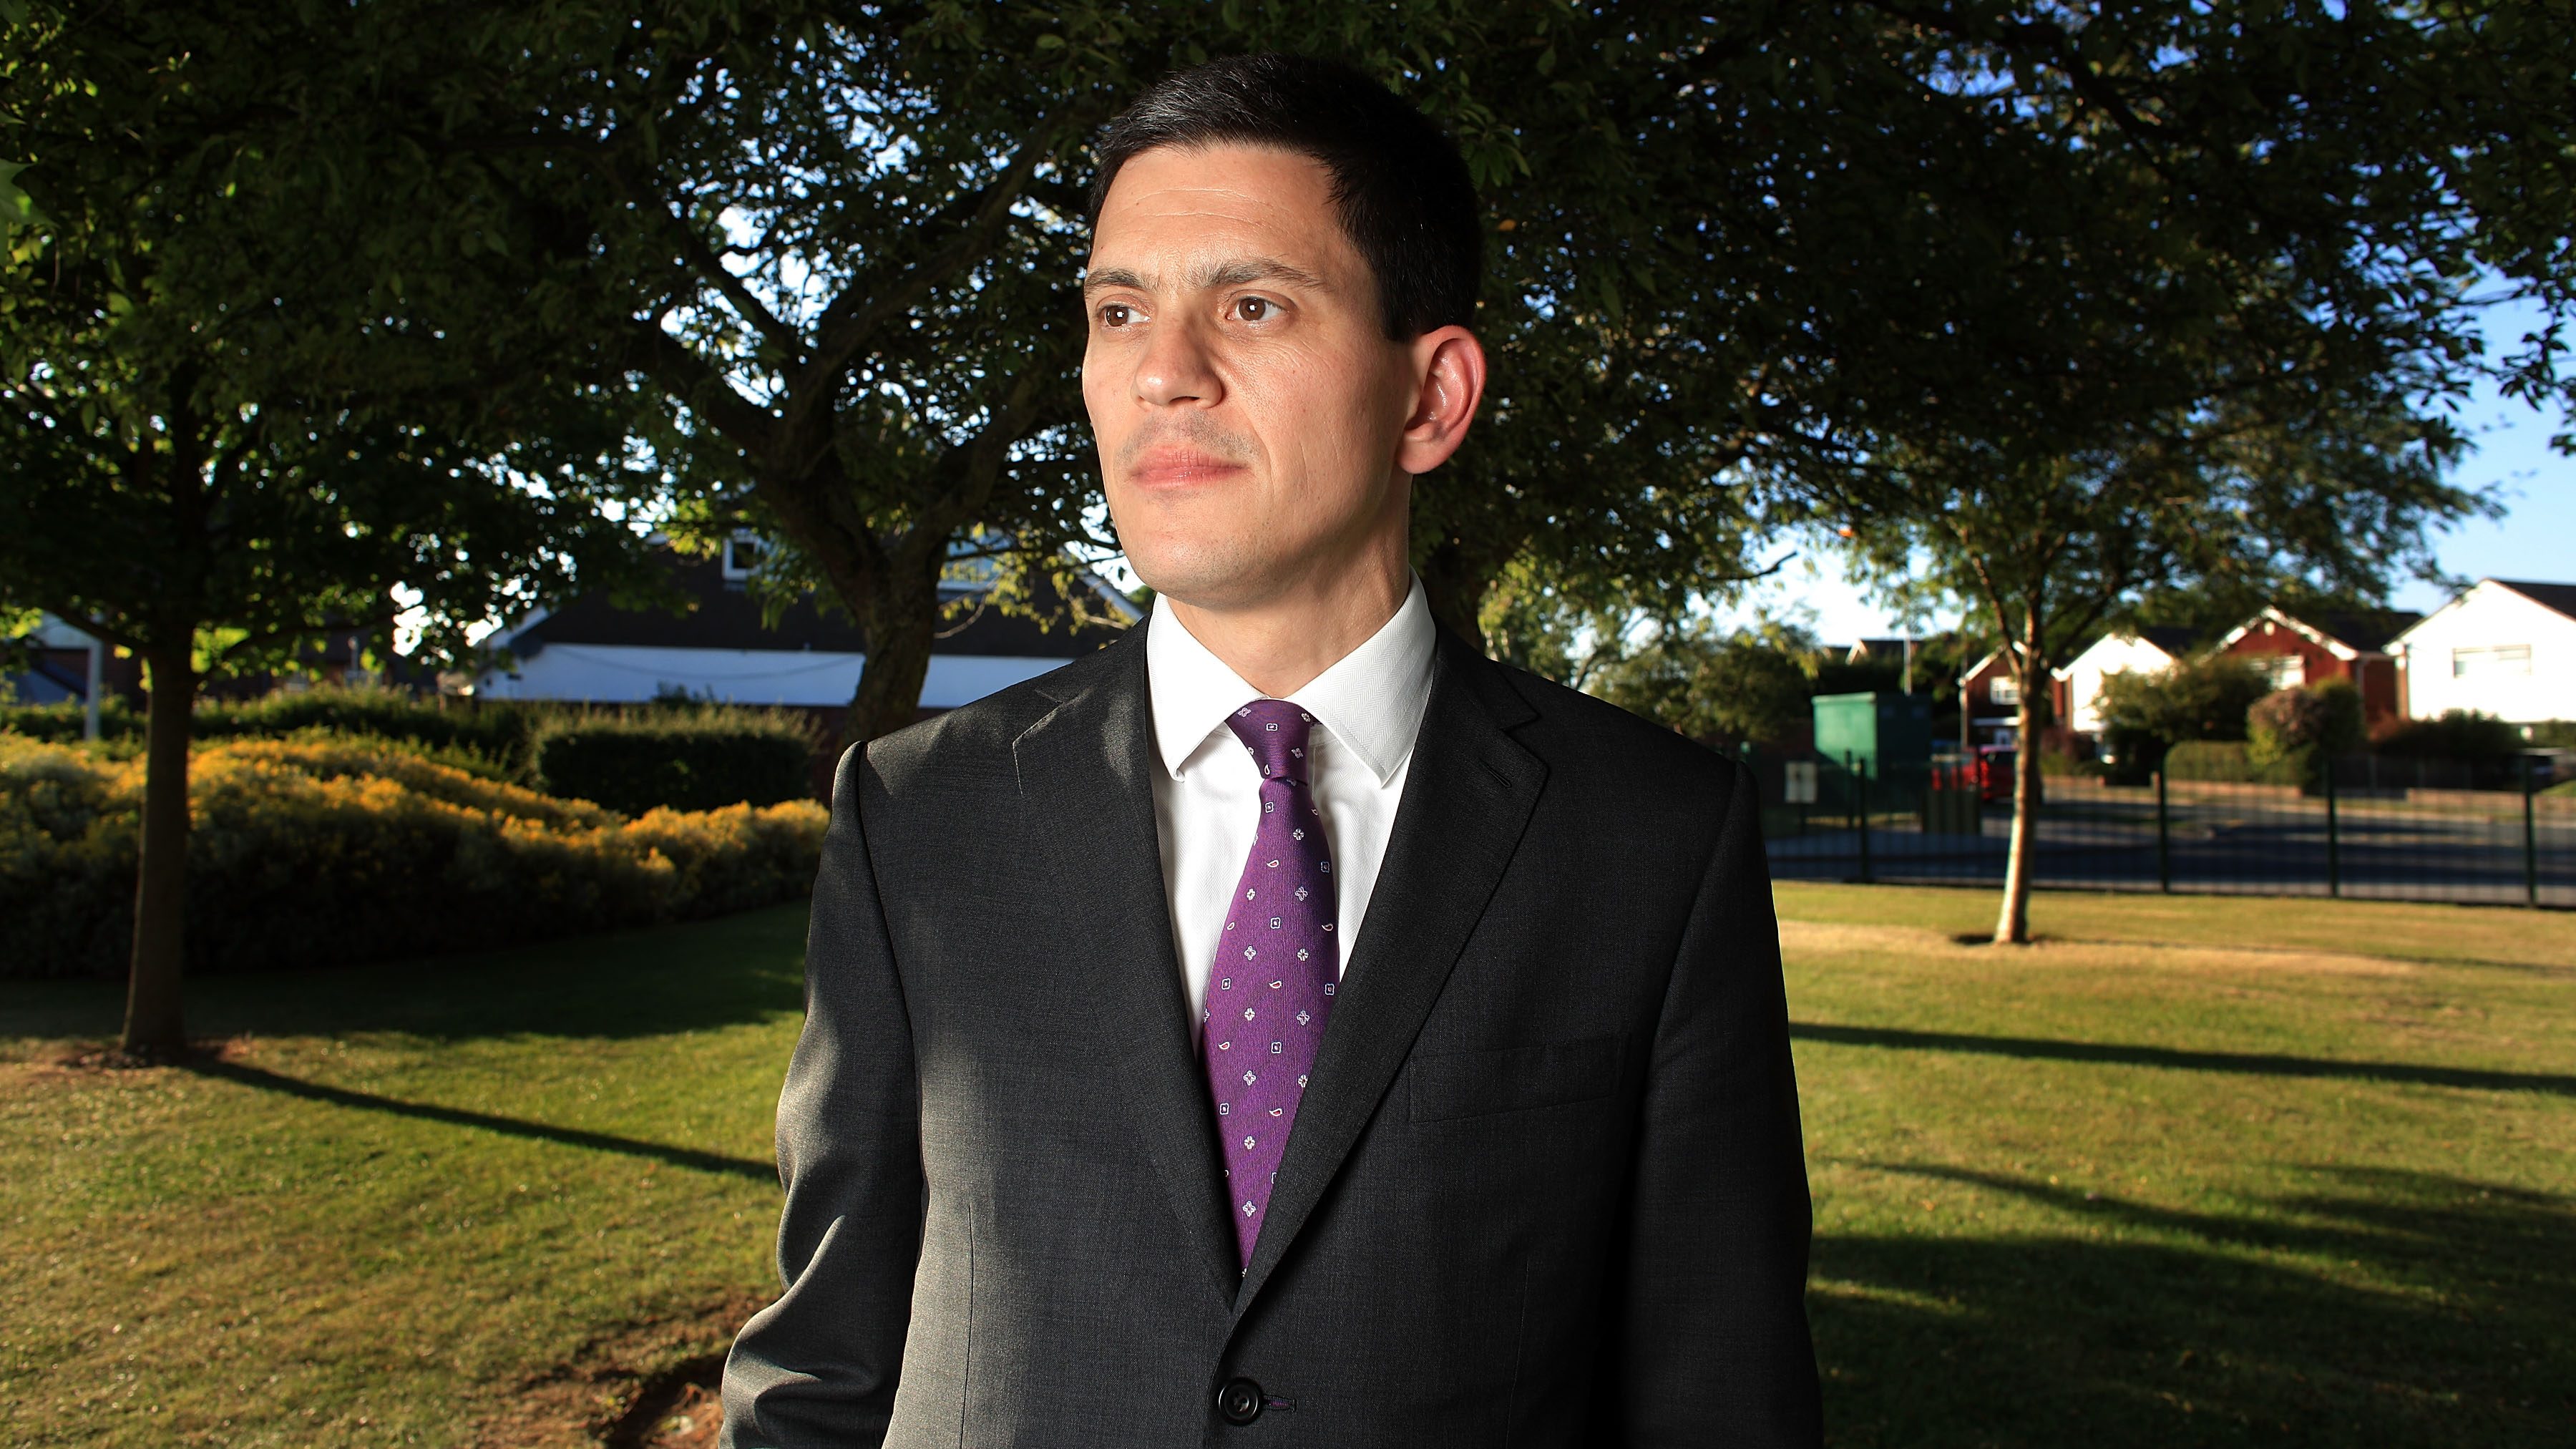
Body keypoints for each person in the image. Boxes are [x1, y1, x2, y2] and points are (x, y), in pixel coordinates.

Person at [720, 52, 1820, 1448]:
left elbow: (1722, 1395)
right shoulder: (919, 812)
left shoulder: (1654, 836)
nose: (1163, 373)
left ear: (1430, 396)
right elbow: (821, 1369)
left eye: (1252, 304)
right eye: (1120, 311)